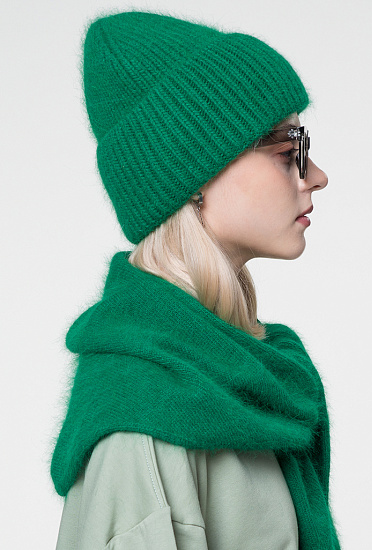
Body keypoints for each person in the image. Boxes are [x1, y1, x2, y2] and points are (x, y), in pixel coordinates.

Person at [49, 9, 342, 550]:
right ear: (192, 177)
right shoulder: (142, 416)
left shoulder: (246, 375)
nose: (316, 175)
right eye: (288, 149)